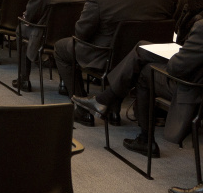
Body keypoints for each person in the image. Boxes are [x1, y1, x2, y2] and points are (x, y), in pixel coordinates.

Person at [53, 0, 178, 125]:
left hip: (106, 55)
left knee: (62, 48)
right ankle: (111, 107)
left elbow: (82, 32)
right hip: (148, 54)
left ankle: (81, 108)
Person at [72, 18, 203, 164]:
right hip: (196, 77)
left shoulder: (201, 27)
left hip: (192, 89)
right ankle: (105, 100)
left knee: (146, 73)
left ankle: (145, 139)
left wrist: (177, 55)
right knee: (141, 48)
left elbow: (176, 68)